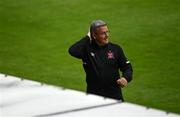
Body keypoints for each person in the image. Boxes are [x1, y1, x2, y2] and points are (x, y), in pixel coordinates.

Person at [68, 20, 133, 101]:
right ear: (94, 35)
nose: (107, 35)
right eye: (103, 33)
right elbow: (72, 51)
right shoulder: (87, 50)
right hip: (94, 97)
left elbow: (127, 67)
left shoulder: (115, 49)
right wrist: (88, 37)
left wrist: (125, 78)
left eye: (107, 32)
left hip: (114, 96)